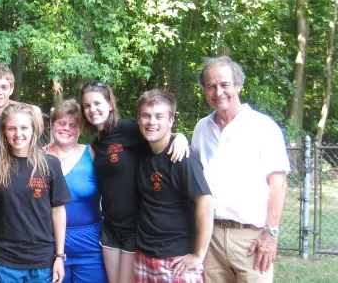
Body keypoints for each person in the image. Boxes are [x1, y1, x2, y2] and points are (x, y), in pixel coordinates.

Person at [191, 56, 290, 283]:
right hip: (211, 238)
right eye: (211, 86)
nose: (218, 92)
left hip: (252, 240)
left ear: (238, 85)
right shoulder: (201, 129)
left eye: (225, 84)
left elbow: (279, 184)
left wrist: (270, 234)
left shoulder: (263, 126)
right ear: (204, 90)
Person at [79, 82, 189, 283]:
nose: (92, 109)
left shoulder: (128, 128)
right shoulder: (95, 143)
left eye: (97, 103)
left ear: (110, 104)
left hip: (135, 227)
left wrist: (179, 136)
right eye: (87, 105)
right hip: (110, 227)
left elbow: (157, 133)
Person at [133, 90, 213, 283]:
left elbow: (206, 203)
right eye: (147, 116)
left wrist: (198, 254)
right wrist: (179, 135)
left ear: (171, 120)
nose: (152, 122)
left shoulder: (183, 158)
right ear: (139, 119)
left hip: (176, 260)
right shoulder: (142, 148)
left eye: (159, 116)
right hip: (144, 255)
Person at [0, 103, 71, 283]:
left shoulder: (50, 164)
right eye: (12, 128)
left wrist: (60, 256)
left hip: (42, 259)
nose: (18, 134)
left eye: (24, 128)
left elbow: (58, 211)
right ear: (4, 131)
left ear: (33, 129)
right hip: (5, 259)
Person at [45, 100, 107, 283]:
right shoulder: (38, 157)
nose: (66, 129)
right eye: (61, 123)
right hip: (49, 243)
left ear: (80, 129)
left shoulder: (93, 154)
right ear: (51, 125)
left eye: (73, 125)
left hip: (90, 243)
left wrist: (176, 136)